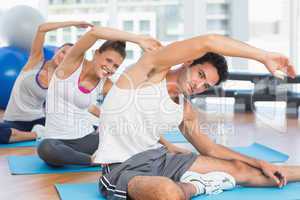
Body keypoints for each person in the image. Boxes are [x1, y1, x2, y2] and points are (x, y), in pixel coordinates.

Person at [93, 32, 300, 200]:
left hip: (161, 159)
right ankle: (197, 186)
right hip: (122, 166)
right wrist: (262, 56)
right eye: (200, 74)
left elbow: (209, 148)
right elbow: (207, 42)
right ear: (188, 62)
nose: (198, 86)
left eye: (206, 86)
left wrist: (260, 162)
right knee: (167, 192)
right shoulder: (150, 71)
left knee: (241, 169)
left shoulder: (185, 110)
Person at [36, 26, 164, 167]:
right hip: (55, 140)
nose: (110, 68)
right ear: (96, 53)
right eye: (108, 61)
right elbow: (93, 32)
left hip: (85, 139)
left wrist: (165, 142)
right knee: (46, 149)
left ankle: (154, 151)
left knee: (125, 133)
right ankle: (94, 160)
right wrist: (138, 39)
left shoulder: (106, 83)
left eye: (116, 66)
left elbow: (130, 109)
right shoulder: (72, 64)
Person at [0, 21, 91, 144]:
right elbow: (42, 29)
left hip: (41, 120)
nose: (64, 57)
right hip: (13, 121)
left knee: (79, 129)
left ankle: (34, 133)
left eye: (69, 56)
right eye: (63, 52)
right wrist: (74, 23)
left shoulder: (62, 79)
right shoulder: (36, 61)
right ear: (56, 51)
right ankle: (38, 134)